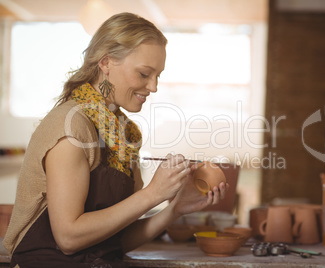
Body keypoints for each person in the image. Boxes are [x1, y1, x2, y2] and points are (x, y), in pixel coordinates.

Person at [3, 12, 228, 267]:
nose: (153, 86)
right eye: (144, 74)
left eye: (158, 75)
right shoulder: (72, 126)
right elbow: (68, 238)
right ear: (106, 62)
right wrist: (152, 194)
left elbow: (116, 240)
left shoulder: (125, 134)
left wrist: (174, 209)